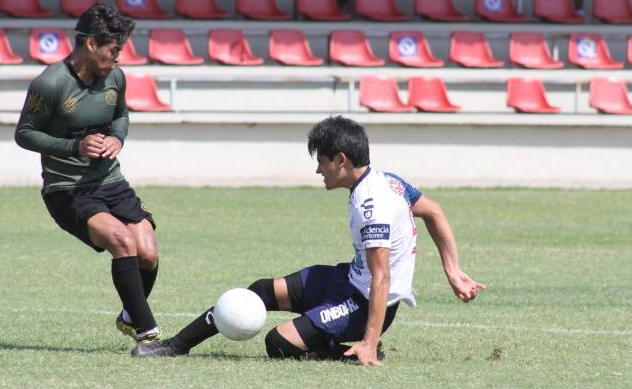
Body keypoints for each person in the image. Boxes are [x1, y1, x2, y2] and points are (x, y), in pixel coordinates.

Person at [139, 116, 485, 366]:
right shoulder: (385, 181)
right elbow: (435, 211)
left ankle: (355, 353)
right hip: (347, 279)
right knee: (259, 289)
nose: (318, 170)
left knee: (278, 343)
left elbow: (382, 278)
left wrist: (370, 338)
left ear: (341, 160)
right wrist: (453, 271)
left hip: (364, 303)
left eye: (321, 162)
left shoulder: (372, 205)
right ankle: (176, 346)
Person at [14, 3, 162, 358]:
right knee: (122, 241)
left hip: (111, 182)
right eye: (113, 51)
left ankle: (130, 314)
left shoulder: (116, 77)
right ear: (90, 44)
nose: (118, 58)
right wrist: (73, 146)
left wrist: (117, 138)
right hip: (67, 190)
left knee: (148, 252)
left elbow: (121, 116)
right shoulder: (50, 83)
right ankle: (148, 336)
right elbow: (24, 134)